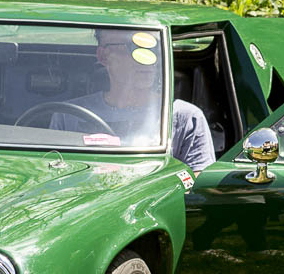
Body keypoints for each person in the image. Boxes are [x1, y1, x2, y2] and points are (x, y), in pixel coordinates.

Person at [54, 30, 215, 171]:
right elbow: (51, 174)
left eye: (151, 48)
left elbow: (197, 191)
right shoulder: (67, 114)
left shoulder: (184, 117)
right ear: (103, 56)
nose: (145, 59)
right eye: (132, 46)